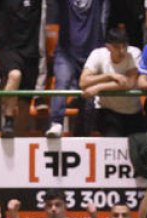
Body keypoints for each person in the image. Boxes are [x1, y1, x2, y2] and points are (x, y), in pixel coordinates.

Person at [47, 0, 107, 138]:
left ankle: (82, 134)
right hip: (66, 52)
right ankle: (56, 123)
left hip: (92, 52)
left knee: (88, 99)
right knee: (62, 81)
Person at [81, 28, 146, 138]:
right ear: (108, 47)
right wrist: (109, 75)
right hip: (107, 111)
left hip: (133, 111)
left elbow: (129, 82)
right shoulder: (98, 55)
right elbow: (83, 82)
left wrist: (99, 87)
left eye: (124, 46)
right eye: (117, 47)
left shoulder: (134, 53)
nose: (122, 51)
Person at [0, 0, 44, 137]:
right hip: (9, 49)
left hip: (30, 53)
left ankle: (17, 146)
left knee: (24, 107)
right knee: (15, 75)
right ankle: (8, 119)